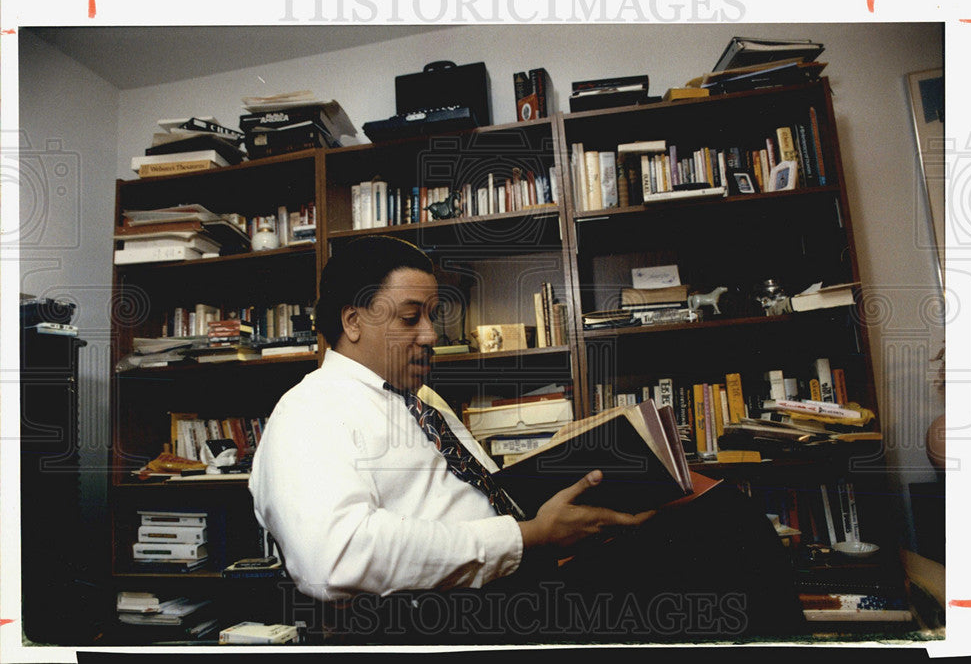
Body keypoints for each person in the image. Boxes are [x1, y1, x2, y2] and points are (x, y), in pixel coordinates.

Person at [250, 235, 803, 644]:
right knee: (724, 533)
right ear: (352, 321)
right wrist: (528, 538)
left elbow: (477, 494)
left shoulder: (417, 403)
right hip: (447, 612)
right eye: (411, 317)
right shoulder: (310, 410)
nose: (431, 335)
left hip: (515, 571)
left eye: (432, 316)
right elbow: (335, 558)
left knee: (710, 507)